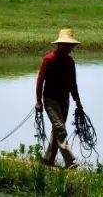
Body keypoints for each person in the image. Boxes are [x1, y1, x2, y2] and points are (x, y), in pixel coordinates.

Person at [35, 28, 82, 168]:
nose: (69, 48)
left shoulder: (70, 62)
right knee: (60, 128)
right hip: (50, 99)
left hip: (64, 100)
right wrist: (38, 101)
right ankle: (70, 161)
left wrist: (78, 101)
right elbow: (40, 80)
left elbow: (73, 84)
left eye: (71, 45)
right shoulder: (49, 59)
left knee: (56, 130)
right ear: (59, 45)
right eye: (67, 45)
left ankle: (48, 160)